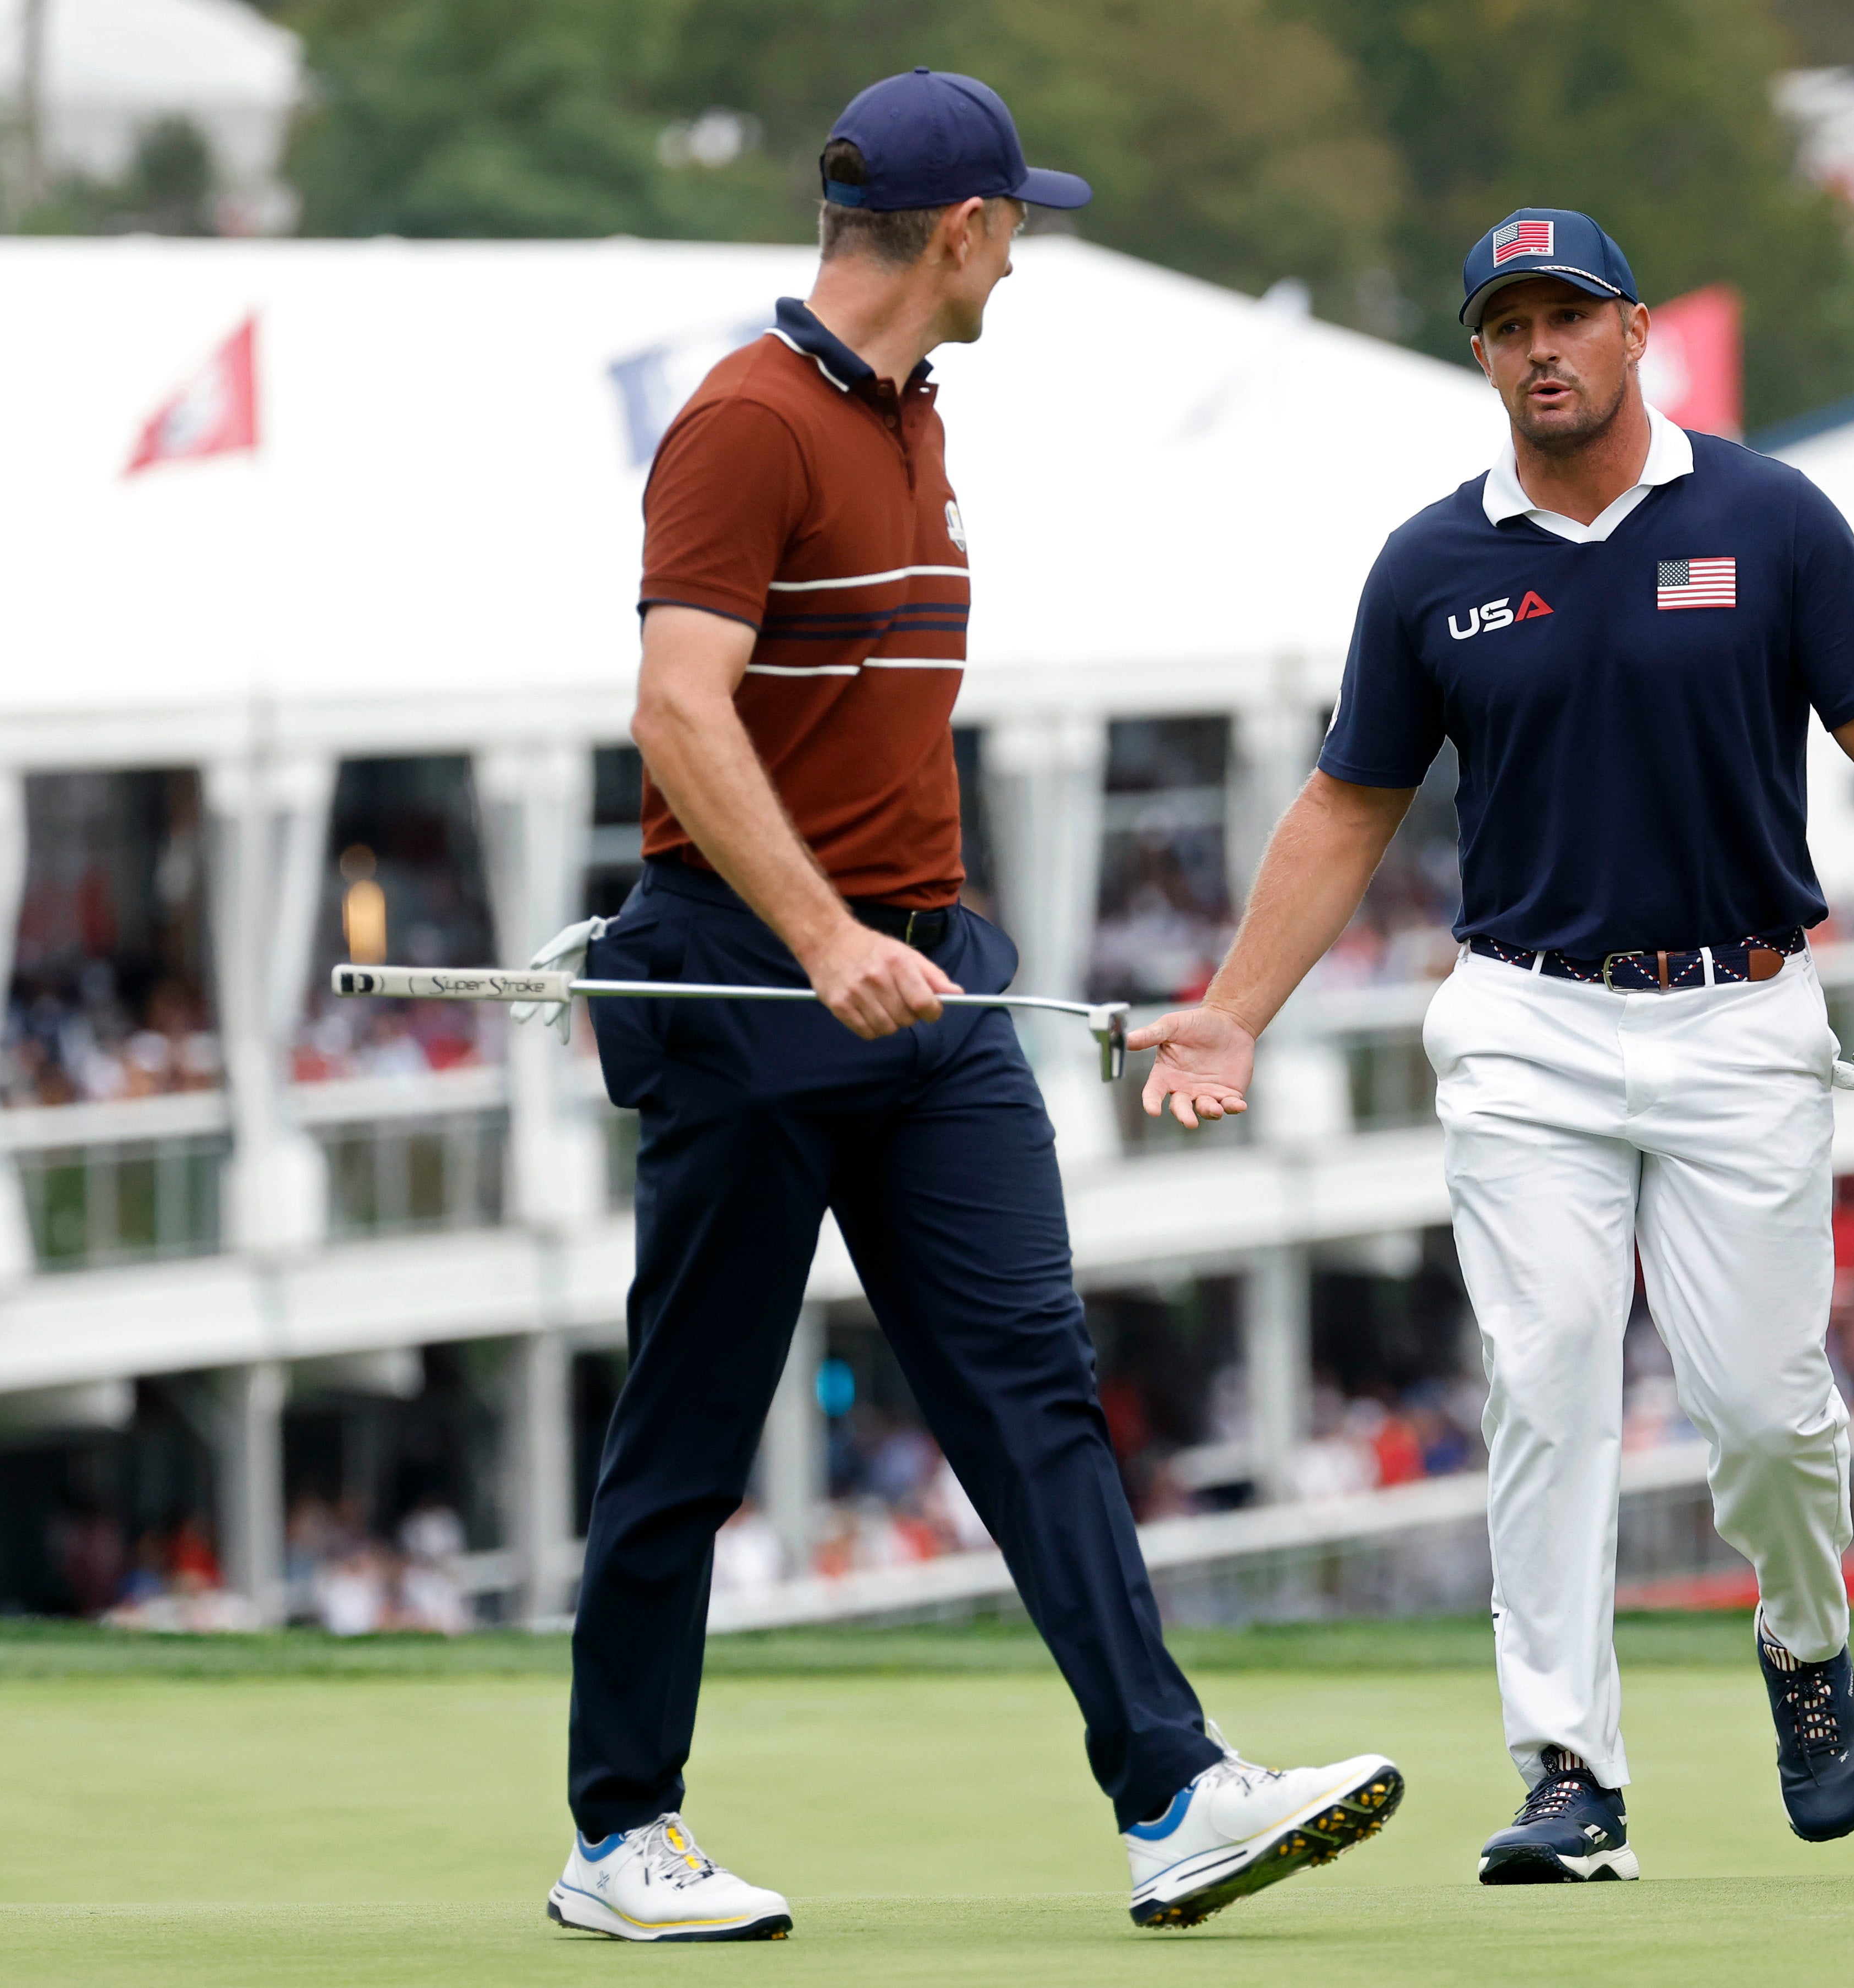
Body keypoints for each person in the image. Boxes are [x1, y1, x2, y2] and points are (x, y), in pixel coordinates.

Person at [549, 70, 1400, 1943]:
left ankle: (1170, 1789)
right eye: (1016, 221)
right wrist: (818, 933)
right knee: (686, 1432)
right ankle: (620, 1830)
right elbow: (679, 710)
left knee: (1031, 1389)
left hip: (931, 980)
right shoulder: (742, 421)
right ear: (961, 235)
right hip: (747, 977)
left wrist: (889, 941)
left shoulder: (918, 419)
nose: (1023, 251)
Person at [1129, 208, 1854, 1881]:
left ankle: (1803, 1642)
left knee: (1762, 1406)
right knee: (1546, 1378)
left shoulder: (1770, 515)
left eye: (1566, 316)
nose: (1540, 349)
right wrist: (1234, 1002)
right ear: (1480, 353)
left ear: (1633, 327)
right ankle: (1571, 1771)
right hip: (1522, 1021)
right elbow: (1344, 801)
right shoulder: (1432, 563)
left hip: (1738, 1012)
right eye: (1506, 325)